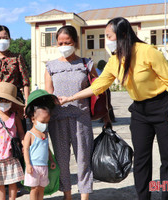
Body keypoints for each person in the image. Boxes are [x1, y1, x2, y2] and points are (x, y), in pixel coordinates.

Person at [59, 17, 168, 200]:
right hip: (139, 111)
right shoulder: (115, 61)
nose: (106, 40)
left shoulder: (148, 51)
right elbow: (98, 85)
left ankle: (166, 195)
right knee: (141, 160)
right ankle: (144, 196)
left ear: (122, 35)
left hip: (163, 107)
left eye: (109, 36)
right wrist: (70, 97)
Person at [44, 25, 110, 200]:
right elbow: (48, 93)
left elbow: (99, 89)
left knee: (83, 159)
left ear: (75, 42)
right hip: (57, 119)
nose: (64, 45)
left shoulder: (86, 64)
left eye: (68, 42)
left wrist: (106, 116)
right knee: (62, 160)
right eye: (61, 42)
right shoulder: (50, 66)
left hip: (81, 118)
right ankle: (67, 195)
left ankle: (84, 196)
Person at [23, 89, 57, 200]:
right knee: (34, 188)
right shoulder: (30, 134)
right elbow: (25, 149)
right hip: (33, 167)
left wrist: (51, 160)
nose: (45, 124)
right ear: (33, 119)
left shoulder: (45, 134)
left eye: (47, 122)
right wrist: (28, 164)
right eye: (42, 122)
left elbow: (47, 149)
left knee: (42, 188)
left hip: (44, 167)